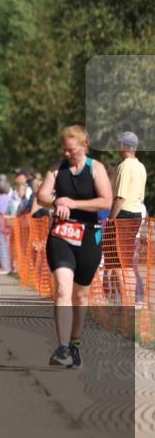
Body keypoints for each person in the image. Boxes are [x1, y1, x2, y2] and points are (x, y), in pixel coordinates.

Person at [36, 125, 112, 369]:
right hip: (61, 234)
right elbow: (41, 196)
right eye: (65, 149)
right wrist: (57, 202)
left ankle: (75, 344)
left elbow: (106, 201)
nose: (67, 154)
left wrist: (73, 203)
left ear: (84, 146)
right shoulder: (57, 168)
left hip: (88, 236)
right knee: (62, 289)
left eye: (72, 150)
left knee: (80, 295)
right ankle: (62, 347)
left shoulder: (96, 168)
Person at [109, 131, 146, 308]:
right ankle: (125, 303)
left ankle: (126, 304)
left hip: (123, 214)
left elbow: (120, 197)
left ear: (123, 146)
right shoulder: (141, 166)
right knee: (125, 261)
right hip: (136, 214)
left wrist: (111, 219)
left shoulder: (124, 166)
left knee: (119, 262)